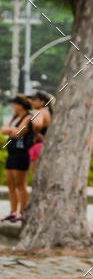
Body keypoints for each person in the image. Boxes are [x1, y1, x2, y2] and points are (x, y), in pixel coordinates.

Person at [1, 94, 34, 222]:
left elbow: (19, 133)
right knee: (11, 184)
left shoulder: (28, 117)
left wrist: (11, 130)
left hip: (22, 154)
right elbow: (4, 130)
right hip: (12, 153)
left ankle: (22, 212)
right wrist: (12, 129)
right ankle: (13, 211)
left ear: (20, 105)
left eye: (14, 103)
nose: (12, 106)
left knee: (20, 185)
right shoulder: (15, 117)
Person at [27, 89, 54, 171]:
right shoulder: (46, 111)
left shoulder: (40, 112)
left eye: (35, 99)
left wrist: (36, 133)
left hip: (38, 146)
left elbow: (37, 124)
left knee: (36, 174)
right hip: (44, 146)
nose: (32, 101)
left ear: (42, 102)